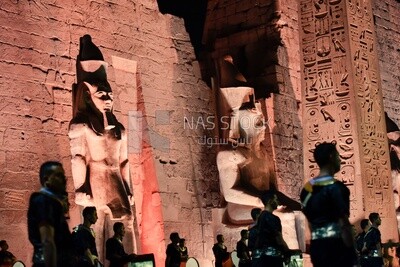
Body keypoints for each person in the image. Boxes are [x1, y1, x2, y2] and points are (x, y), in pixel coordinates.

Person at [69, 34, 137, 261]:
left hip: (116, 178)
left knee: (127, 220)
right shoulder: (81, 124)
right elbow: (78, 157)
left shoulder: (120, 128)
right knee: (95, 228)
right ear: (88, 96)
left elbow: (124, 161)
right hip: (96, 178)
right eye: (101, 94)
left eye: (109, 94)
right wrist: (80, 187)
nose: (107, 98)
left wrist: (129, 188)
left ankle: (130, 261)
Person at [300, 142, 356, 267]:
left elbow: (309, 222)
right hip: (336, 246)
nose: (340, 160)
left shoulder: (306, 189)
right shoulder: (336, 188)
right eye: (338, 156)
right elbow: (343, 224)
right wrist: (352, 252)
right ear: (331, 157)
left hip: (317, 246)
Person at [27, 161, 73, 267]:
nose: (64, 180)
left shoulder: (52, 202)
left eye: (64, 176)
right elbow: (47, 240)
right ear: (46, 179)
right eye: (59, 176)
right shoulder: (43, 201)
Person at [250, 190, 290, 267]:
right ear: (270, 201)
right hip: (271, 259)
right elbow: (279, 239)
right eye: (276, 199)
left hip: (260, 259)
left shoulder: (261, 218)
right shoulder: (273, 218)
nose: (278, 202)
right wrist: (287, 252)